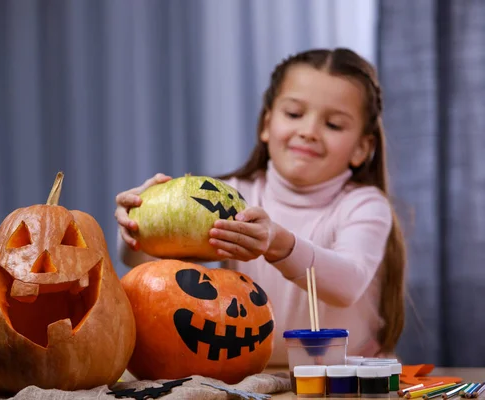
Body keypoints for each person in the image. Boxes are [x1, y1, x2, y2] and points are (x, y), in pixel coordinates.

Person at [114, 48, 407, 366]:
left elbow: (348, 284)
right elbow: (143, 261)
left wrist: (280, 244)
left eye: (334, 124)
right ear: (267, 124)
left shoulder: (364, 205)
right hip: (258, 380)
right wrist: (137, 224)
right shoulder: (227, 197)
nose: (308, 131)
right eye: (294, 114)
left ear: (361, 148)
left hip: (347, 382)